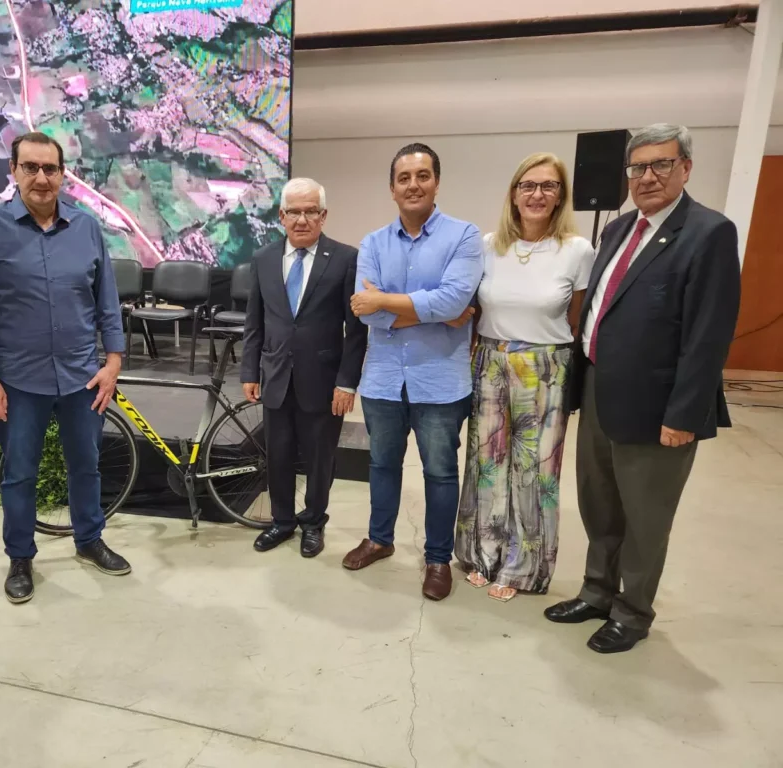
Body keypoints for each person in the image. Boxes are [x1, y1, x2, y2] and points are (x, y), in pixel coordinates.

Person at [545, 124, 741, 653]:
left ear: (686, 168)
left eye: (660, 164)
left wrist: (684, 414)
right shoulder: (617, 229)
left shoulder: (708, 233)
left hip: (659, 409)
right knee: (600, 505)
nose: (647, 176)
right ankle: (597, 592)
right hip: (600, 394)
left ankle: (632, 614)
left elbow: (708, 337)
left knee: (646, 518)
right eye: (638, 167)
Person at [0, 132, 129, 604]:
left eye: (50, 169)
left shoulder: (87, 227)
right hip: (17, 380)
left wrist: (112, 362)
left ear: (62, 174)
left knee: (86, 465)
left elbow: (107, 303)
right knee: (18, 473)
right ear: (13, 172)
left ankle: (89, 539)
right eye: (31, 167)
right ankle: (20, 557)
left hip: (82, 376)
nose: (41, 177)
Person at [454, 153, 595, 603]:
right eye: (528, 185)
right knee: (486, 465)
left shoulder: (576, 250)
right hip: (490, 362)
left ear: (560, 196)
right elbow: (474, 311)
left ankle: (524, 567)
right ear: (513, 193)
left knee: (535, 472)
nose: (537, 194)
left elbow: (578, 320)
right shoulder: (487, 244)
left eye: (548, 186)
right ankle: (482, 555)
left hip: (545, 369)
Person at [345, 143, 482, 600]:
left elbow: (453, 301)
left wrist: (385, 300)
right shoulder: (373, 242)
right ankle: (380, 538)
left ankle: (438, 558)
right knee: (382, 464)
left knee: (440, 473)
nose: (413, 185)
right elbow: (365, 315)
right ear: (392, 188)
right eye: (404, 178)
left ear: (436, 182)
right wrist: (435, 311)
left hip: (440, 382)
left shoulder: (464, 236)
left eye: (422, 176)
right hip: (383, 378)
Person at [241, 178, 368, 557]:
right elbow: (255, 322)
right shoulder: (263, 259)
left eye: (311, 211)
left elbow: (356, 330)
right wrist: (250, 371)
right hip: (276, 377)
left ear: (323, 216)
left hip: (324, 381)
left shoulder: (346, 259)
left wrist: (347, 382)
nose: (302, 219)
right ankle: (281, 521)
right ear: (281, 215)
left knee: (319, 457)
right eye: (294, 211)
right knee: (276, 454)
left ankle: (313, 522)